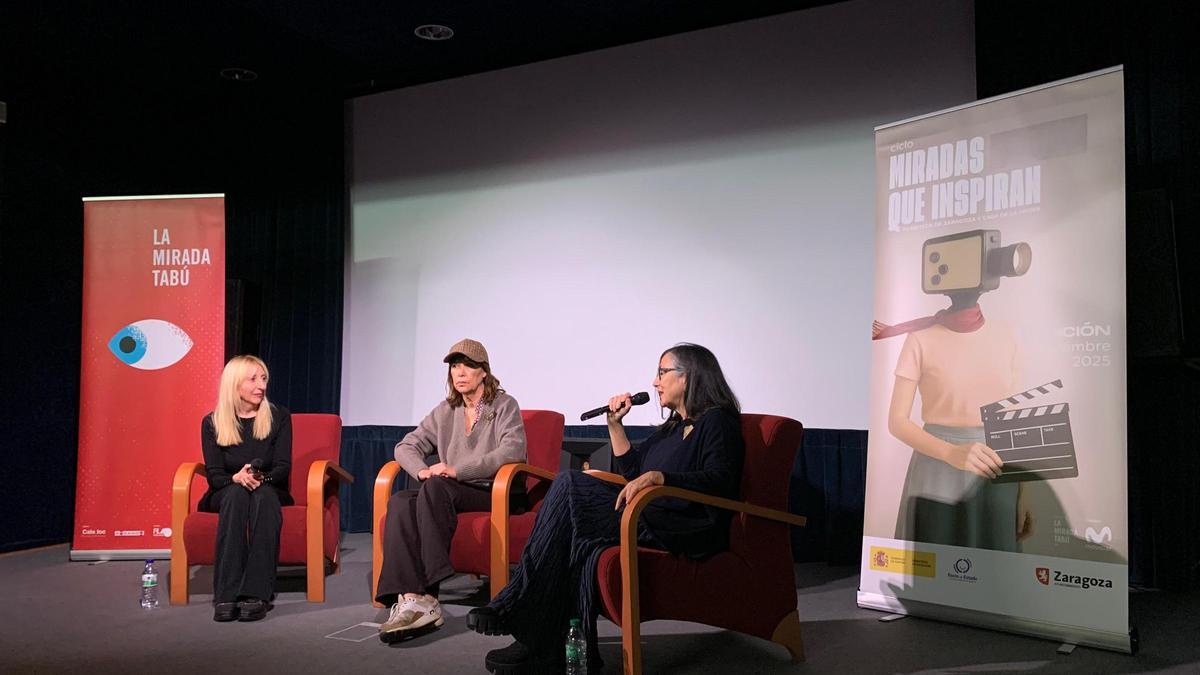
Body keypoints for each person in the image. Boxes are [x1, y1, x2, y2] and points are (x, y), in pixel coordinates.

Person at [467, 343, 744, 674]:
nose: (655, 383)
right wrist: (615, 425)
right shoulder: (672, 428)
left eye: (661, 372)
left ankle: (515, 606)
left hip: (684, 524)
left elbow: (720, 480)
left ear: (690, 377)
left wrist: (661, 477)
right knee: (579, 543)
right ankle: (552, 649)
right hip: (650, 514)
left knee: (569, 483)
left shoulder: (718, 422)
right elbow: (633, 472)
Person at [376, 338, 527, 643]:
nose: (460, 372)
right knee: (401, 501)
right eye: (455, 366)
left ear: (483, 371)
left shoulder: (503, 405)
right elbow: (405, 446)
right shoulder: (446, 410)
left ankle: (430, 589)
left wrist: (458, 470)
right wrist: (420, 469)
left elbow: (512, 452)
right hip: (450, 490)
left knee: (436, 487)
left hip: (494, 490)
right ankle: (410, 597)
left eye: (468, 366)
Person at [198, 355, 292, 622]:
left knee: (262, 496)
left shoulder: (279, 416)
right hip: (227, 490)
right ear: (234, 384)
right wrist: (237, 479)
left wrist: (257, 478)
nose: (261, 385)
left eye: (263, 379)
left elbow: (282, 468)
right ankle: (226, 594)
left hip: (269, 486)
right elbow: (215, 476)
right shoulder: (212, 423)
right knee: (237, 495)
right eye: (253, 379)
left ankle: (256, 593)